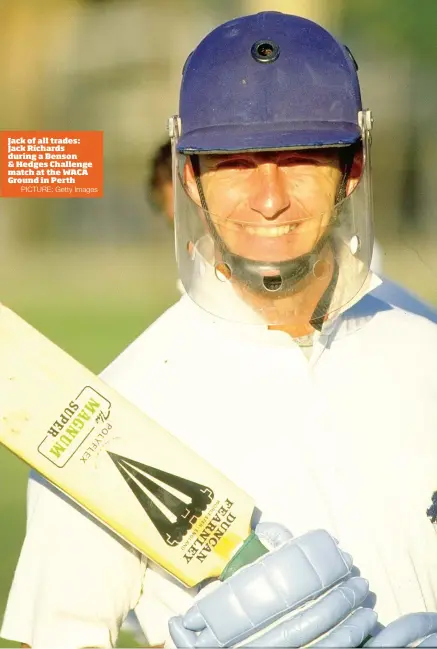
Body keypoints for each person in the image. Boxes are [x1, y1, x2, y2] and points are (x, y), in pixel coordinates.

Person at [3, 11, 437, 649]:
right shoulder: (112, 418)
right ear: (188, 176)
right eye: (234, 162)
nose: (268, 198)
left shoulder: (424, 350)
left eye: (299, 158)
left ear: (352, 168)